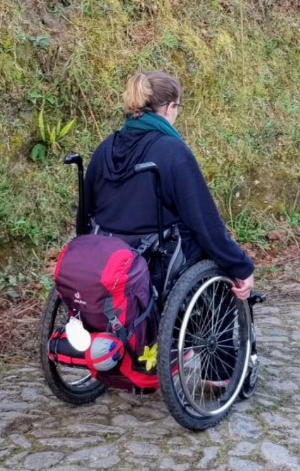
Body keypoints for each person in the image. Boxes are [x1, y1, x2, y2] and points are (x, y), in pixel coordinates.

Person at [83, 70, 253, 301]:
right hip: (158, 260)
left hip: (108, 254)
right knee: (218, 273)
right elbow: (203, 219)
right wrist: (240, 266)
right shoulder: (173, 151)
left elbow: (86, 212)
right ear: (169, 107)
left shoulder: (105, 148)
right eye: (177, 108)